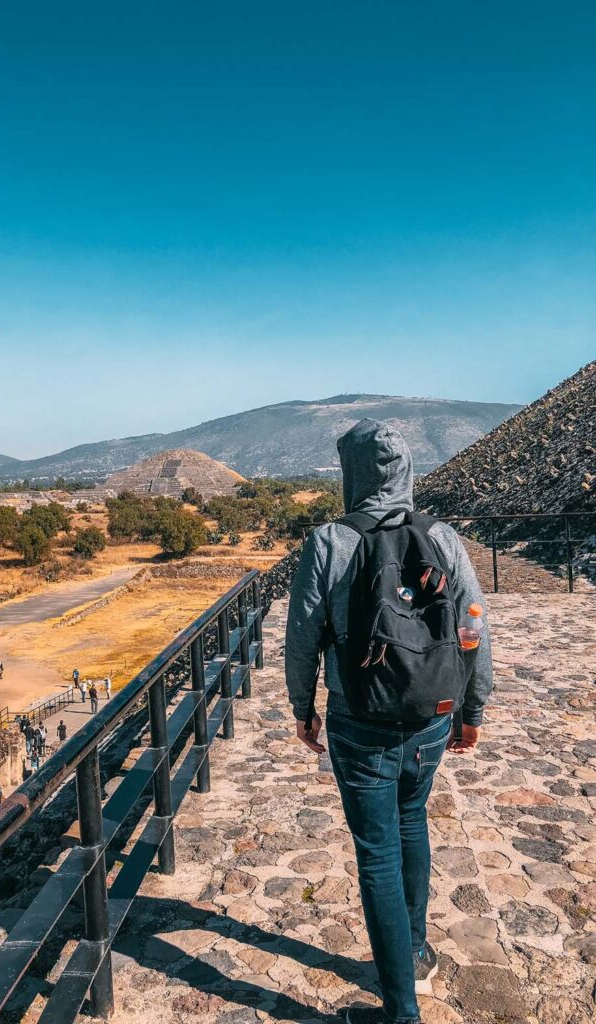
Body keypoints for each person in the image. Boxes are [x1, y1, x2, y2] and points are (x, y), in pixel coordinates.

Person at [285, 420, 493, 1024]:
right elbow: (475, 626)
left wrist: (303, 709)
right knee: (412, 823)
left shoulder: (328, 541)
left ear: (350, 474)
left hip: (358, 721)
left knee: (376, 854)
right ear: (407, 470)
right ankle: (417, 949)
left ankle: (400, 1011)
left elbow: (302, 641)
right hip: (430, 719)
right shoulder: (444, 537)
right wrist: (472, 708)